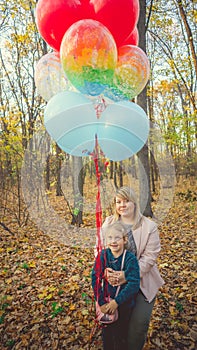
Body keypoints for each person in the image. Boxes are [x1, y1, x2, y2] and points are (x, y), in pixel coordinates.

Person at [102, 186, 164, 350]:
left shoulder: (149, 227)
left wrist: (127, 275)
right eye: (118, 202)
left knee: (137, 327)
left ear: (135, 203)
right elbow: (99, 249)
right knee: (114, 327)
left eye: (126, 201)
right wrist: (105, 270)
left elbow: (150, 257)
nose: (122, 205)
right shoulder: (109, 223)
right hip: (114, 285)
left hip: (142, 284)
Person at [91, 222, 140, 350]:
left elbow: (134, 284)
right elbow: (95, 277)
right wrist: (101, 302)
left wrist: (117, 302)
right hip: (106, 303)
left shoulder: (130, 259)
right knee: (107, 336)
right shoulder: (103, 255)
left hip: (123, 305)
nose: (113, 241)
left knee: (120, 336)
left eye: (117, 238)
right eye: (110, 238)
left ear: (124, 240)